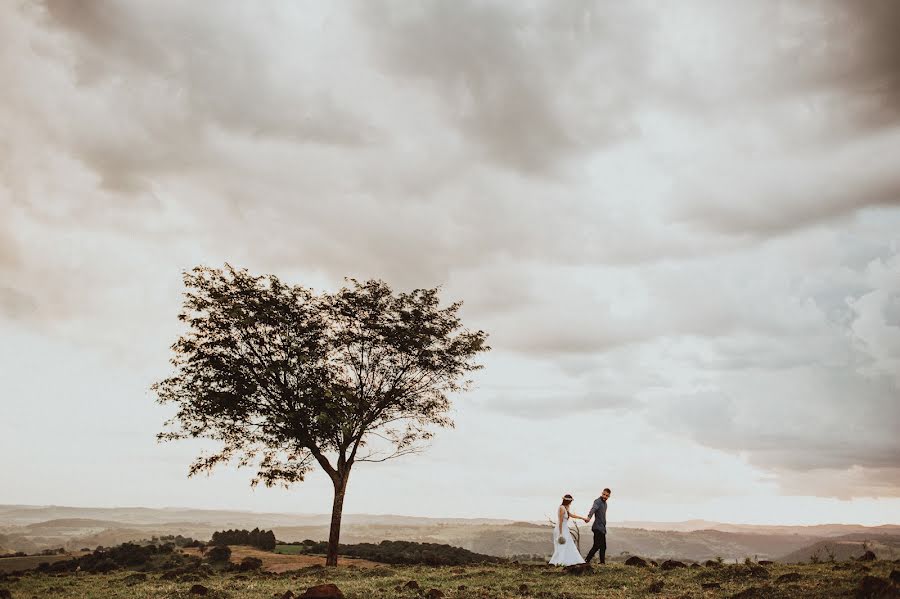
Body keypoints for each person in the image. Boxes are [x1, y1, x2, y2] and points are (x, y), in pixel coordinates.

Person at [548, 493, 588, 566]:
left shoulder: (566, 508)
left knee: (568, 545)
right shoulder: (561, 508)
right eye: (570, 502)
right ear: (568, 501)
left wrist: (582, 518)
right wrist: (560, 534)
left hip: (565, 528)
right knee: (562, 545)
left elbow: (571, 515)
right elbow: (560, 521)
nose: (571, 503)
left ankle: (566, 561)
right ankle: (560, 562)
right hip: (560, 529)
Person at [584, 488, 611, 564]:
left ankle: (602, 562)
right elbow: (593, 509)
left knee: (603, 547)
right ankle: (586, 560)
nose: (605, 496)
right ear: (602, 493)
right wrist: (589, 517)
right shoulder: (597, 501)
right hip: (597, 527)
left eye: (607, 495)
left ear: (609, 496)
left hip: (602, 528)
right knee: (596, 546)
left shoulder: (605, 504)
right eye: (604, 494)